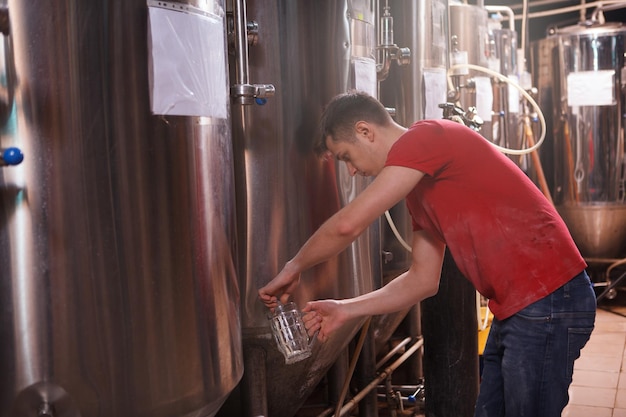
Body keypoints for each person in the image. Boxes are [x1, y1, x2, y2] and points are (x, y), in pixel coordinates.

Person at [258, 91, 596, 417]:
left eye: (346, 156)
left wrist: (294, 266)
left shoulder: (428, 136)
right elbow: (421, 281)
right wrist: (345, 310)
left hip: (548, 298)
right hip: (519, 307)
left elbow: (349, 225)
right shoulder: (419, 192)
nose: (351, 171)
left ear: (365, 131)